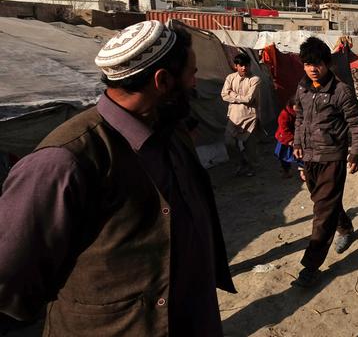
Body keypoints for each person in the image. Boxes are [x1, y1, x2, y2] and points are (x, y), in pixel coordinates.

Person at [0, 20, 236, 335]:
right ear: (162, 80)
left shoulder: (173, 133)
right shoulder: (65, 160)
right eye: (191, 74)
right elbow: (10, 278)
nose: (195, 83)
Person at [292, 37, 358, 288]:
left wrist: (356, 153)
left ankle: (310, 267)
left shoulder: (340, 90)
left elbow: (357, 124)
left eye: (318, 64)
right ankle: (344, 226)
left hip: (332, 157)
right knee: (323, 202)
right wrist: (297, 144)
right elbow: (299, 117)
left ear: (327, 64)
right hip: (309, 157)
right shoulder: (302, 88)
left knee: (322, 212)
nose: (313, 68)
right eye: (308, 64)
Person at [221, 51, 261, 177]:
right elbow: (223, 95)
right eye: (241, 65)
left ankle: (251, 167)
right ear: (236, 66)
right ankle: (240, 164)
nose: (244, 68)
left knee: (250, 147)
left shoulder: (255, 79)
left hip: (250, 117)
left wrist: (232, 94)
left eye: (246, 65)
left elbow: (249, 99)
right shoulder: (230, 78)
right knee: (229, 142)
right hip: (233, 117)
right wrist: (237, 97)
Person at [274, 99, 304, 180]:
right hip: (284, 138)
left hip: (298, 137)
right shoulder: (284, 114)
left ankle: (303, 171)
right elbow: (283, 129)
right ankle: (286, 171)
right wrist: (291, 141)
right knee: (283, 156)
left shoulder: (302, 113)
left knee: (301, 155)